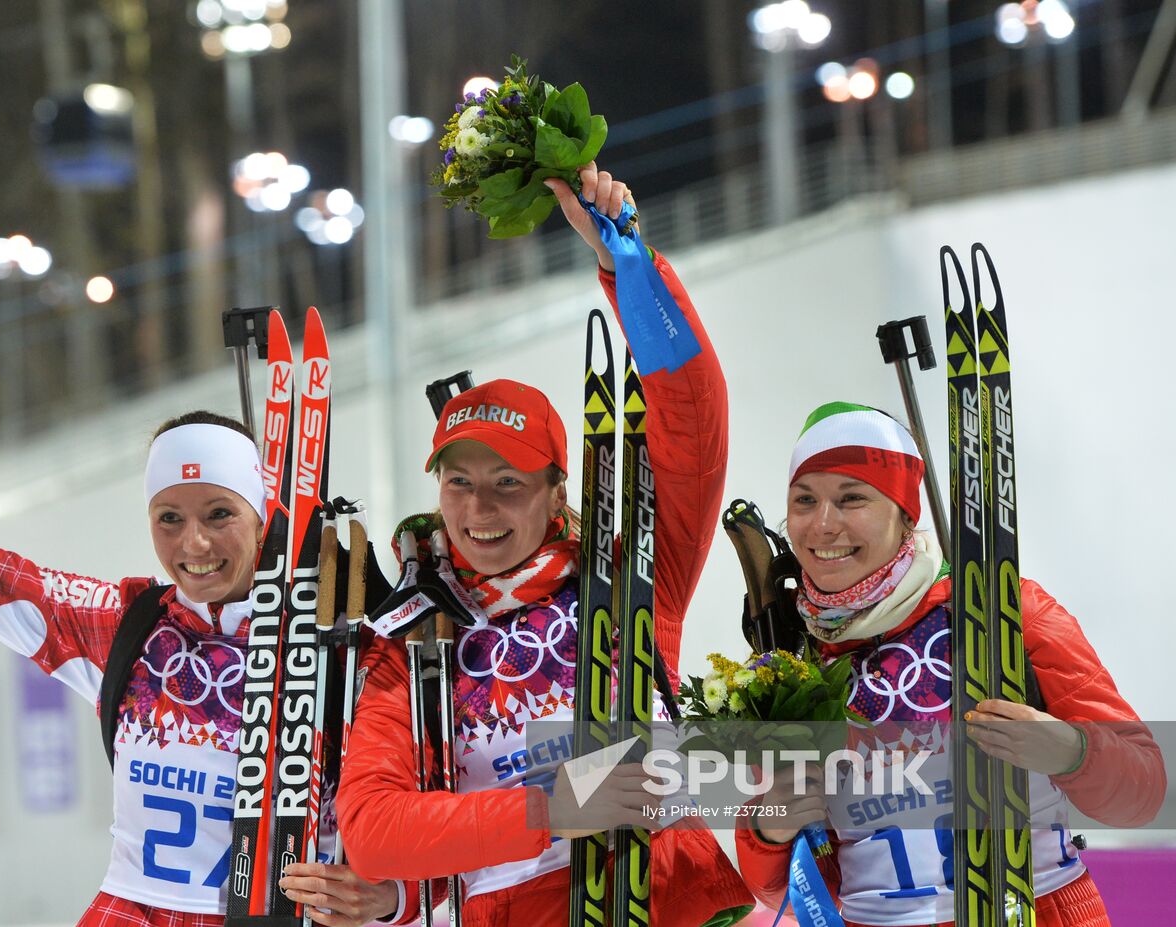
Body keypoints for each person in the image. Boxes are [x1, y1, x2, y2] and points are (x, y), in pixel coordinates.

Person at [0, 278, 409, 926]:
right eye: (168, 517)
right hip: (136, 911)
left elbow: (452, 793)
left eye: (220, 513)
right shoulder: (127, 626)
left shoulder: (352, 653)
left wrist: (395, 900)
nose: (194, 542)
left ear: (264, 513)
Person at [335, 163, 756, 926]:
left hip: (668, 898)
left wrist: (626, 265)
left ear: (558, 492)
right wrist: (551, 804)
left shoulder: (632, 581)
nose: (479, 507)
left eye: (508, 482)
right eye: (458, 482)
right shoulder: (411, 639)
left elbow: (693, 426)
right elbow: (372, 830)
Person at [734, 401, 1166, 927]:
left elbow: (1143, 795)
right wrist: (770, 827)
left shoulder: (1007, 610)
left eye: (852, 499)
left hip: (1037, 911)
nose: (824, 525)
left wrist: (1072, 751)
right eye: (805, 500)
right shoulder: (790, 658)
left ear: (904, 513)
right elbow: (775, 886)